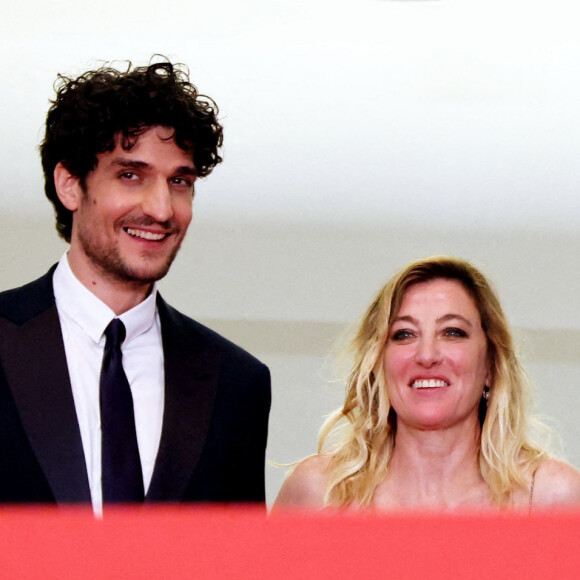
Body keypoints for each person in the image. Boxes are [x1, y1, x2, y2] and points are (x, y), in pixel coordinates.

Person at [0, 59, 271, 513]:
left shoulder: (237, 382)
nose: (162, 209)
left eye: (179, 181)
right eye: (131, 175)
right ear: (70, 185)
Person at [274, 256, 580, 511]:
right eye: (404, 334)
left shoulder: (551, 497)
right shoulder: (318, 494)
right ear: (378, 363)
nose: (427, 355)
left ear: (490, 365)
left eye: (452, 332)